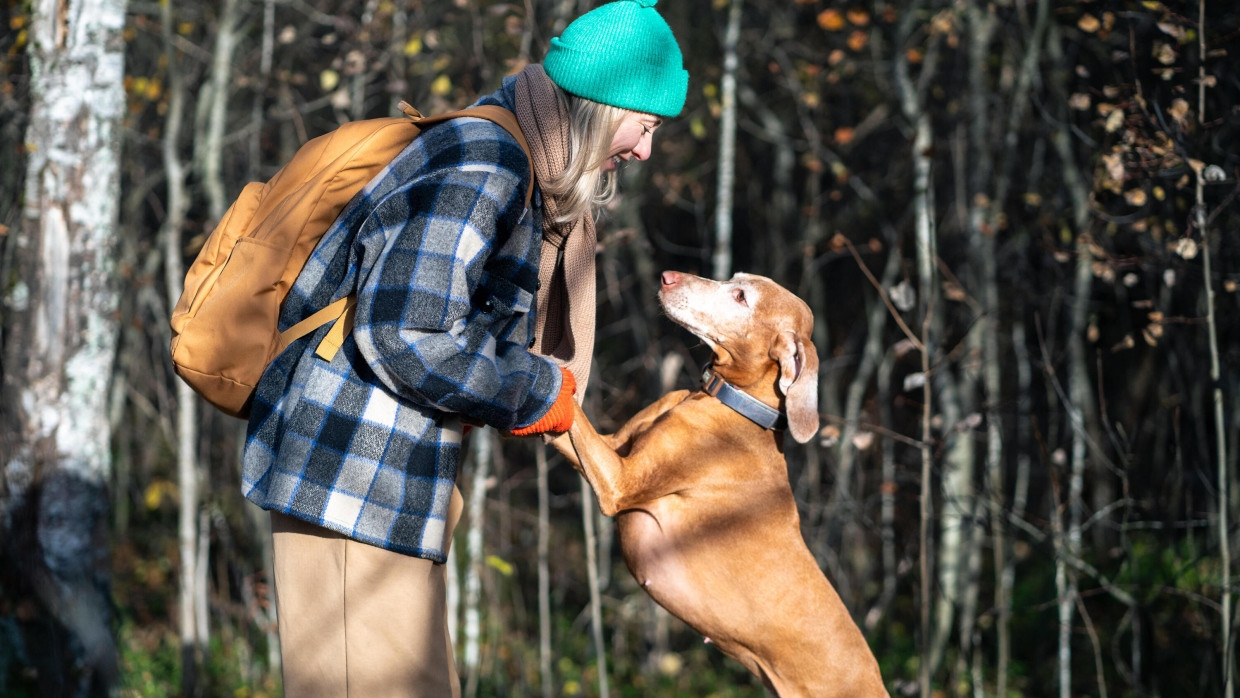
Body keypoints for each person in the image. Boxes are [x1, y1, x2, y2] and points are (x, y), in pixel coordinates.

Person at [238, 0, 688, 694]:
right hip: (353, 480)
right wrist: (536, 391)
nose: (644, 150)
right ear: (601, 105)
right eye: (644, 125)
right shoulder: (486, 164)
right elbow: (404, 331)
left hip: (382, 484)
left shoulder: (508, 158)